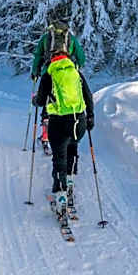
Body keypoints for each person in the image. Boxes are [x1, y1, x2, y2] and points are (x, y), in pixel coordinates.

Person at [32, 51, 94, 221]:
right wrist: (90, 117)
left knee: (59, 158)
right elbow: (88, 96)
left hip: (58, 122)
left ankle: (61, 197)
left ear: (52, 60)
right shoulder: (76, 73)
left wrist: (35, 99)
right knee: (72, 149)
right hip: (78, 120)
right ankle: (70, 181)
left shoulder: (49, 75)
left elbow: (41, 101)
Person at [30, 20, 86, 155]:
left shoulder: (45, 38)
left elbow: (38, 56)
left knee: (47, 103)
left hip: (48, 73)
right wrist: (75, 67)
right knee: (65, 101)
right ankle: (68, 134)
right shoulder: (71, 38)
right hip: (67, 75)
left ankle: (46, 137)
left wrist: (35, 72)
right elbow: (81, 58)